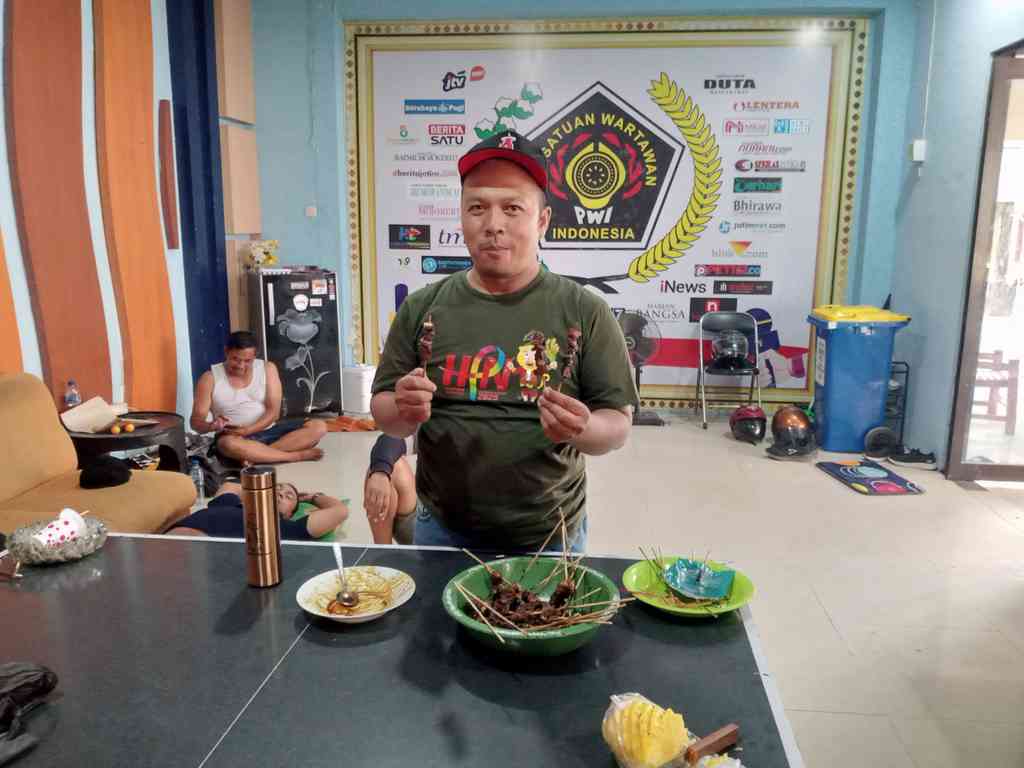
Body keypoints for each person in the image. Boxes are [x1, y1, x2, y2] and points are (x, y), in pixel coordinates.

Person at [371, 130, 638, 553]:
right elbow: (385, 414)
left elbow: (617, 425)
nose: (493, 224)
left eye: (513, 208)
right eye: (477, 207)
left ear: (542, 220)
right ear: (461, 216)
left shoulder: (585, 311)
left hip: (550, 536)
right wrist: (403, 411)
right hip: (441, 528)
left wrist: (584, 429)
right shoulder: (423, 308)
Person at [190, 331, 327, 464]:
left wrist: (247, 430)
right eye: (235, 359)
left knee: (318, 426)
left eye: (247, 361)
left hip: (269, 430)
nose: (241, 366)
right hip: (235, 438)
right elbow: (196, 423)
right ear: (226, 352)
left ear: (255, 356)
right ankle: (293, 456)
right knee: (227, 444)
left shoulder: (268, 368)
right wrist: (212, 425)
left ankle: (255, 456)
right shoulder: (209, 378)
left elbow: (273, 413)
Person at [168, 481, 348, 540]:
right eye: (276, 488)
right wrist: (260, 491)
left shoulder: (285, 528)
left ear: (289, 515)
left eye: (288, 496)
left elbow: (339, 511)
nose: (280, 493)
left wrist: (312, 497)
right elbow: (230, 485)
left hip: (196, 552)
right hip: (163, 543)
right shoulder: (230, 504)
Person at [363, 434, 417, 545]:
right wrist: (381, 471)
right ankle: (383, 550)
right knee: (388, 470)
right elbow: (392, 439)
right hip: (424, 521)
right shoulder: (436, 431)